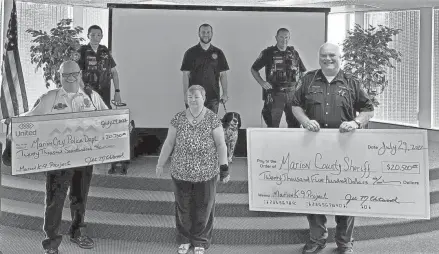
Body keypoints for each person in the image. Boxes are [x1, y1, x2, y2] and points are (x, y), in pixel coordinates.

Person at [291, 43, 375, 254]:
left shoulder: (352, 82)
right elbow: (295, 104)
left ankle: (344, 242)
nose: (327, 59)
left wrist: (356, 123)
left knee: (345, 194)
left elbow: (368, 109)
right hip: (314, 148)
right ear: (318, 57)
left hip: (344, 150)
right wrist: (305, 121)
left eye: (332, 55)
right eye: (323, 55)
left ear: (340, 57)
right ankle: (317, 240)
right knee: (315, 194)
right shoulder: (308, 79)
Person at [20, 60, 108, 254]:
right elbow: (30, 118)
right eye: (65, 75)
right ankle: (51, 242)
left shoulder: (92, 97)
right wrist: (12, 122)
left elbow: (109, 119)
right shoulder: (49, 98)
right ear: (59, 76)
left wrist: (124, 126)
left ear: (80, 74)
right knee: (55, 200)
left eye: (74, 74)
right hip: (58, 160)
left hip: (85, 158)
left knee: (80, 197)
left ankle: (78, 231)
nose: (70, 78)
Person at [156, 85, 230, 254]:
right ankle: (183, 239)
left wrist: (224, 168)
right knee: (183, 207)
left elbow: (221, 145)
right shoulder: (178, 118)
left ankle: (200, 241)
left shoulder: (212, 119)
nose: (193, 100)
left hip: (207, 173)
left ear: (204, 98)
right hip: (181, 172)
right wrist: (160, 163)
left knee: (204, 208)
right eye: (190, 97)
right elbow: (169, 143)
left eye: (196, 97)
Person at [77, 24, 124, 174]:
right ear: (88, 36)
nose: (96, 37)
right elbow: (77, 73)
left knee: (103, 122)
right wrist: (83, 89)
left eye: (99, 35)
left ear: (102, 36)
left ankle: (103, 154)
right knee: (87, 122)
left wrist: (117, 91)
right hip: (88, 92)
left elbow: (114, 73)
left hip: (104, 92)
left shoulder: (105, 51)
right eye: (93, 35)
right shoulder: (83, 51)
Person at [251, 28, 307, 128]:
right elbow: (254, 69)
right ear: (276, 37)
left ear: (289, 38)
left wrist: (300, 84)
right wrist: (262, 82)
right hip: (275, 94)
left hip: (292, 94)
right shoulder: (268, 53)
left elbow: (302, 71)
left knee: (295, 124)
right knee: (272, 124)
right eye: (281, 37)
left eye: (286, 37)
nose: (284, 40)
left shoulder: (294, 53)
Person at [180, 24, 230, 114]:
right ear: (199, 33)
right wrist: (186, 94)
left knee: (211, 126)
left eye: (208, 32)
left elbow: (223, 75)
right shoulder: (190, 53)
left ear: (212, 34)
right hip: (194, 97)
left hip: (213, 97)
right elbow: (185, 75)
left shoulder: (219, 53)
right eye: (203, 32)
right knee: (194, 125)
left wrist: (225, 93)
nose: (206, 34)